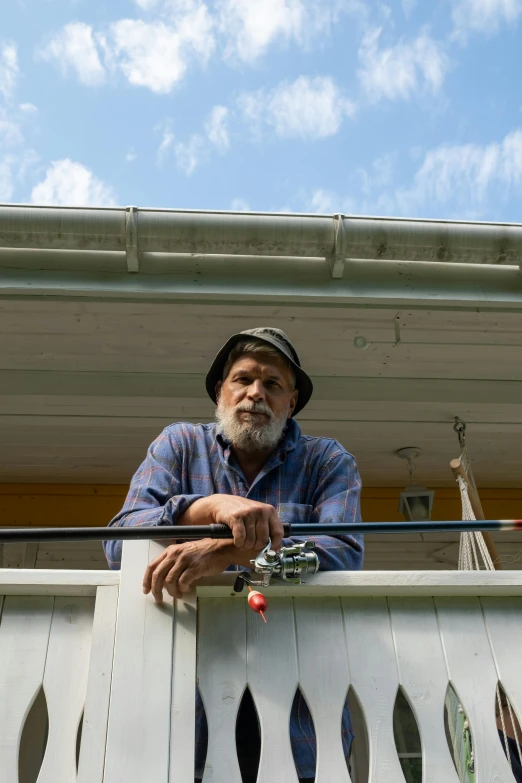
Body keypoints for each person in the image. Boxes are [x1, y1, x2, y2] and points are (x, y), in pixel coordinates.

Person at [104, 327, 364, 783]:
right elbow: (118, 542)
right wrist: (205, 507)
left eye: (272, 384)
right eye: (242, 380)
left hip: (301, 695)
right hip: (188, 685)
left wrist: (229, 552)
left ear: (292, 400)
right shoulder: (180, 444)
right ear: (221, 391)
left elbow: (342, 553)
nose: (255, 394)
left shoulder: (327, 460)